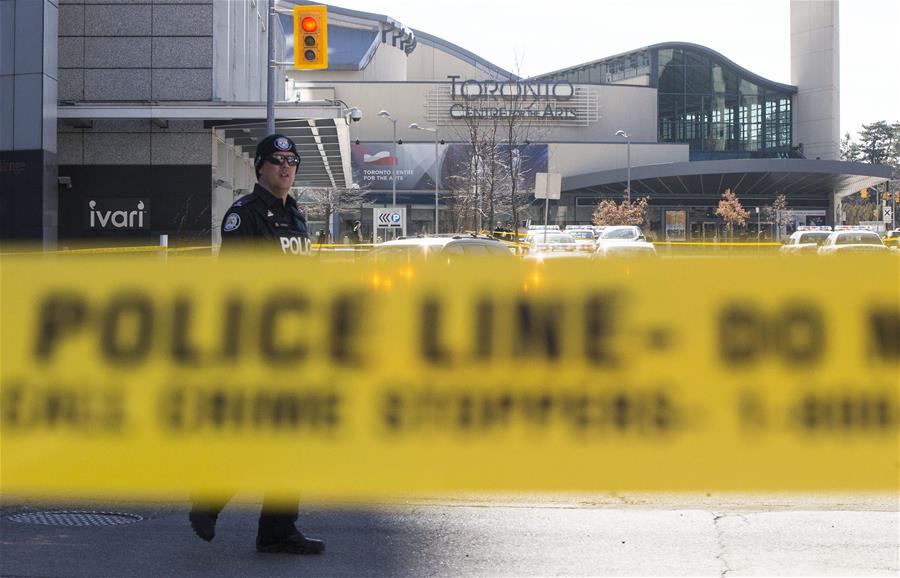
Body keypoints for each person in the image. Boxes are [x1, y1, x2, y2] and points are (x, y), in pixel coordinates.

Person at [189, 134, 324, 555]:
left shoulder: (297, 217)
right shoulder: (243, 216)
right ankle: (211, 500)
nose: (286, 168)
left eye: (292, 161)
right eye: (277, 161)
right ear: (260, 168)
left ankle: (277, 530)